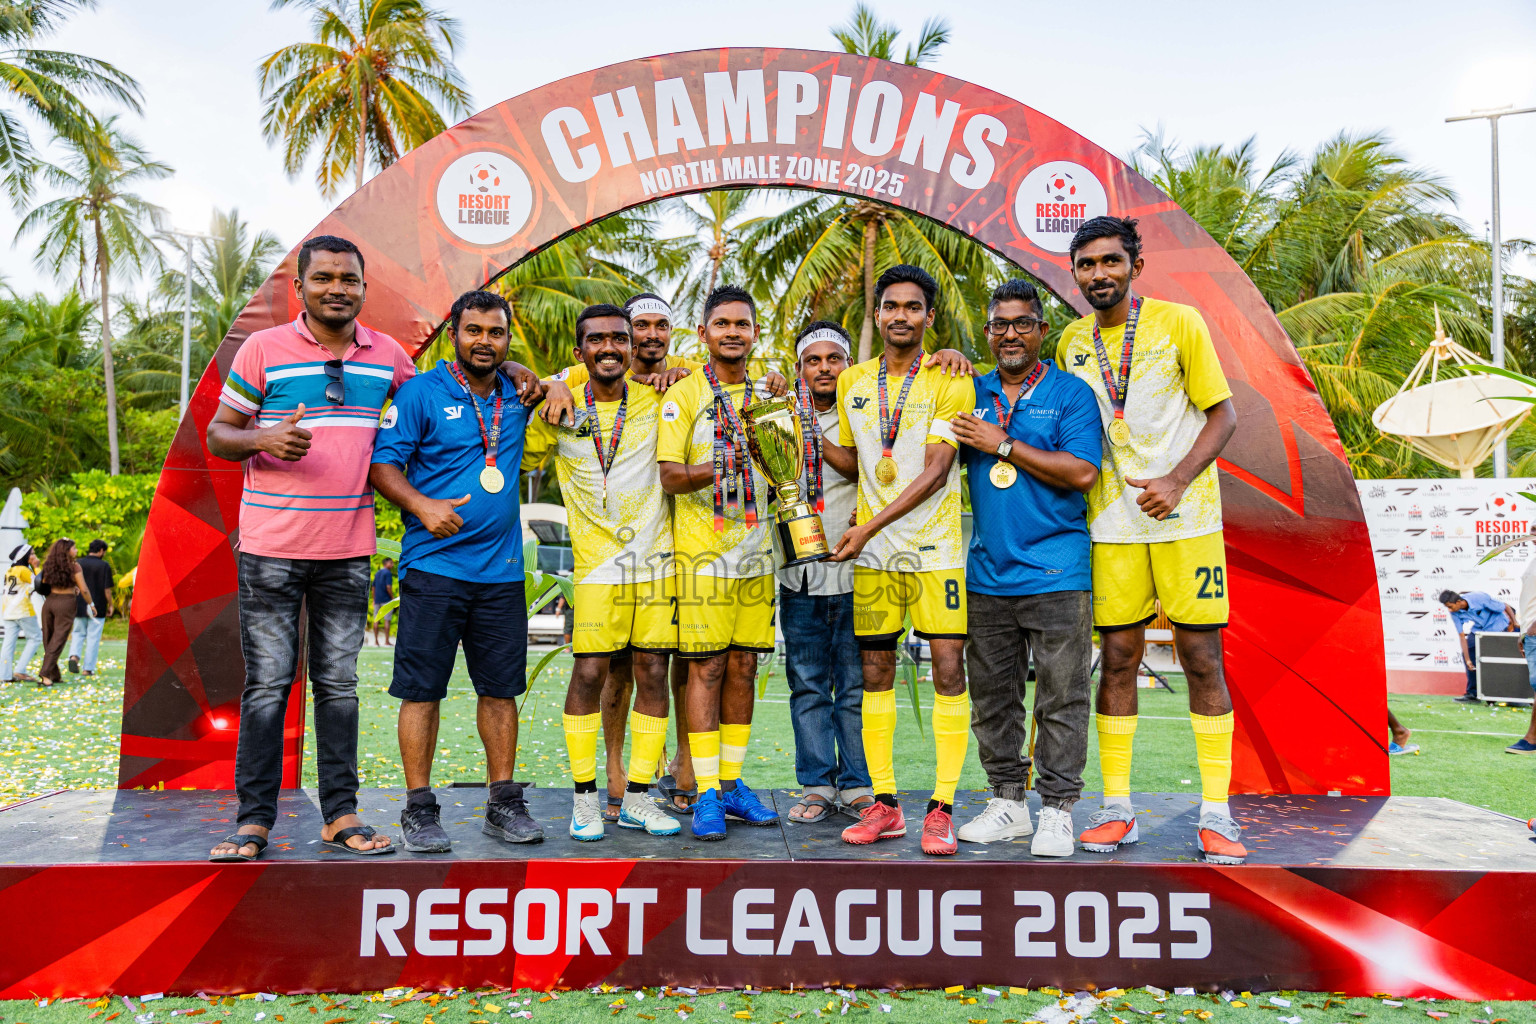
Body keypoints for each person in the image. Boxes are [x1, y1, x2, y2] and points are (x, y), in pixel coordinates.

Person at [204, 234, 414, 862]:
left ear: (363, 287)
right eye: (323, 278)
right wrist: (263, 438)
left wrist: (515, 370)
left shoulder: (389, 356)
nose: (337, 289)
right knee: (268, 687)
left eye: (348, 279)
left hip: (348, 550)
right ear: (300, 287)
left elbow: (440, 396)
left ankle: (340, 815)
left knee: (339, 687)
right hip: (270, 548)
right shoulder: (263, 349)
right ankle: (254, 822)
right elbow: (219, 435)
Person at [1057, 216, 1243, 865]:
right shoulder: (1070, 343)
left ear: (1136, 265)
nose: (1099, 274)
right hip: (1112, 526)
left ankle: (1217, 814)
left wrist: (1178, 478)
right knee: (1117, 660)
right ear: (1074, 272)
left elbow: (1225, 414)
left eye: (1111, 261)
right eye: (1087, 265)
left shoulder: (1180, 323)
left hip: (1186, 519)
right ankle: (1117, 809)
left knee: (1200, 658)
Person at [371, 289, 545, 851]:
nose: (485, 342)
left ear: (507, 339)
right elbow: (382, 465)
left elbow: (580, 380)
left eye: (496, 333)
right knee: (421, 692)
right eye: (474, 331)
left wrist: (554, 381)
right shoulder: (421, 393)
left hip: (501, 574)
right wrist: (422, 506)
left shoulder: (519, 394)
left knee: (500, 691)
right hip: (434, 568)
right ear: (454, 334)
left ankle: (503, 802)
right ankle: (419, 810)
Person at [822, 264, 977, 856]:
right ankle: (885, 805)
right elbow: (856, 462)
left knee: (946, 673)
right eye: (891, 306)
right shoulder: (852, 380)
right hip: (876, 556)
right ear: (877, 314)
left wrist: (866, 528)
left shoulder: (950, 379)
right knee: (875, 675)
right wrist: (792, 432)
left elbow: (937, 472)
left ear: (929, 317)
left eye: (914, 307)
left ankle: (941, 807)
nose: (901, 316)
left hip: (935, 552)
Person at [951, 278, 1103, 857]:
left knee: (1061, 698)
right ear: (986, 333)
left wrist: (1003, 444)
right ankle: (1009, 802)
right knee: (992, 696)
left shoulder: (1071, 394)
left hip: (1057, 570)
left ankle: (1058, 810)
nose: (1009, 334)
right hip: (989, 572)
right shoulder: (971, 391)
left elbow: (1082, 473)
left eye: (1022, 324)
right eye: (998, 325)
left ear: (1041, 331)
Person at [522, 303, 681, 840]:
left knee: (653, 674)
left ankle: (638, 796)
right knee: (589, 674)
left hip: (655, 561)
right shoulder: (558, 402)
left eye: (620, 339)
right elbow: (517, 447)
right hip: (594, 568)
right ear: (579, 352)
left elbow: (732, 381)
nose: (609, 348)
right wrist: (545, 384)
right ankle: (584, 797)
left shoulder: (665, 398)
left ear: (634, 348)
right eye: (597, 340)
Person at [658, 284, 781, 840]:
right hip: (702, 557)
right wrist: (729, 463)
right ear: (703, 333)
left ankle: (731, 785)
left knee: (744, 667)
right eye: (722, 323)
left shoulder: (769, 395)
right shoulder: (684, 394)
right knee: (705, 669)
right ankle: (704, 789)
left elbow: (789, 470)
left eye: (743, 323)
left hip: (758, 556)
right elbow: (671, 476)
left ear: (755, 333)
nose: (733, 331)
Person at [779, 321, 872, 824]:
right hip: (799, 577)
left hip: (857, 574)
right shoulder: (776, 416)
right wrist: (788, 421)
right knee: (808, 686)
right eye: (812, 361)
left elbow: (863, 469)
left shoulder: (861, 414)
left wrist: (808, 431)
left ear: (846, 366)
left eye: (832, 359)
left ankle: (857, 785)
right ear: (800, 368)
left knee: (854, 687)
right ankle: (817, 784)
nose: (823, 369)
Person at [1440, 589, 1516, 703]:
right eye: (1447, 607)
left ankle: (1508, 695)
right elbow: (1461, 636)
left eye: (1450, 606)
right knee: (1469, 653)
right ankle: (1473, 694)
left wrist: (1515, 622)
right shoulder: (1454, 613)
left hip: (1498, 626)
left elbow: (1505, 606)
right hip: (1479, 629)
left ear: (1459, 601)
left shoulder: (1479, 598)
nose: (1449, 610)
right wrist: (1468, 660)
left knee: (1500, 659)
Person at [37, 538, 93, 686]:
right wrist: (91, 604)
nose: (76, 551)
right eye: (74, 549)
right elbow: (84, 589)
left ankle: (54, 675)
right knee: (59, 638)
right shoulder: (74, 567)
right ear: (66, 551)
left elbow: (44, 584)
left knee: (48, 638)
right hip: (66, 603)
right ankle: (45, 673)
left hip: (49, 602)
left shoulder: (48, 565)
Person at [68, 540, 113, 676]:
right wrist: (110, 604)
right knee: (93, 637)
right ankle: (87, 669)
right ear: (101, 551)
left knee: (77, 633)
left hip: (78, 605)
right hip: (97, 606)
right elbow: (107, 590)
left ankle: (74, 656)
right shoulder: (104, 566)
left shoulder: (78, 563)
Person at [1, 544, 41, 683]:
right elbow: (40, 583)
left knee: (8, 643)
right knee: (35, 637)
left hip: (8, 610)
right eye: (32, 554)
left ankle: (4, 675)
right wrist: (36, 567)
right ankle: (20, 670)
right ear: (24, 556)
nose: (34, 556)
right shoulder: (23, 570)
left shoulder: (10, 570)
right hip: (22, 610)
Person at [371, 557, 395, 646]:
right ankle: (386, 641)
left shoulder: (377, 573)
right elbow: (388, 587)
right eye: (391, 563)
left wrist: (374, 599)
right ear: (386, 564)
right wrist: (392, 598)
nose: (392, 565)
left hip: (377, 600)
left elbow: (373, 587)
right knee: (387, 620)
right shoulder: (388, 573)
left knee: (376, 620)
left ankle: (376, 642)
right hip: (386, 600)